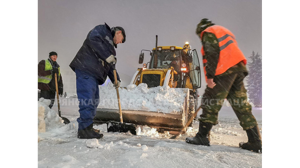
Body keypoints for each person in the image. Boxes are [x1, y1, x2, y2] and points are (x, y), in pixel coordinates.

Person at [185, 18, 262, 153]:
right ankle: (255, 141)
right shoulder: (223, 31)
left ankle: (202, 137)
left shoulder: (208, 32)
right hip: (238, 69)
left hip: (224, 69)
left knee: (210, 101)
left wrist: (210, 77)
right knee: (241, 105)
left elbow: (212, 53)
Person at [69, 23, 126, 139]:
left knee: (94, 101)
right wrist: (107, 56)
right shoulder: (102, 30)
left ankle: (88, 126)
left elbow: (110, 67)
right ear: (119, 32)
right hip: (86, 68)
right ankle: (84, 130)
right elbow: (92, 39)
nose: (120, 43)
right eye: (121, 40)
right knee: (88, 99)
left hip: (94, 74)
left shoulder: (111, 50)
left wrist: (116, 79)